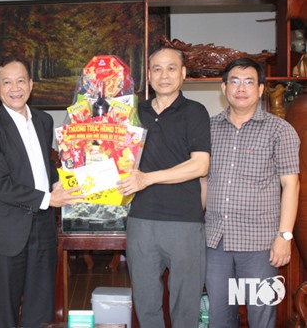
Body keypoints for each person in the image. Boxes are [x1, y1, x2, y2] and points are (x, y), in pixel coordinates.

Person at [0, 57, 84, 328]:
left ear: (31, 85)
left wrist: (63, 182)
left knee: (40, 307)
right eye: (6, 82)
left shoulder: (44, 121)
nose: (15, 88)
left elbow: (44, 166)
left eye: (21, 80)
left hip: (43, 229)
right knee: (7, 312)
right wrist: (49, 198)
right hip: (9, 232)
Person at [117, 47, 211, 328]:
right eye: (157, 69)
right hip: (141, 221)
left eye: (171, 68)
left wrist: (147, 178)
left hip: (183, 222)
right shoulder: (134, 112)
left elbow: (200, 166)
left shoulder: (195, 112)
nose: (164, 75)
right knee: (146, 306)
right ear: (148, 75)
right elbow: (110, 153)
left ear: (183, 74)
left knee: (185, 306)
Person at [204, 58, 300, 328]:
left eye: (249, 82)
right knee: (220, 317)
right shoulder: (208, 129)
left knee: (261, 317)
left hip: (260, 245)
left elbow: (291, 185)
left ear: (260, 90)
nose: (241, 88)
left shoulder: (279, 130)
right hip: (216, 243)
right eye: (234, 81)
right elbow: (202, 181)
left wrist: (285, 236)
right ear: (224, 88)